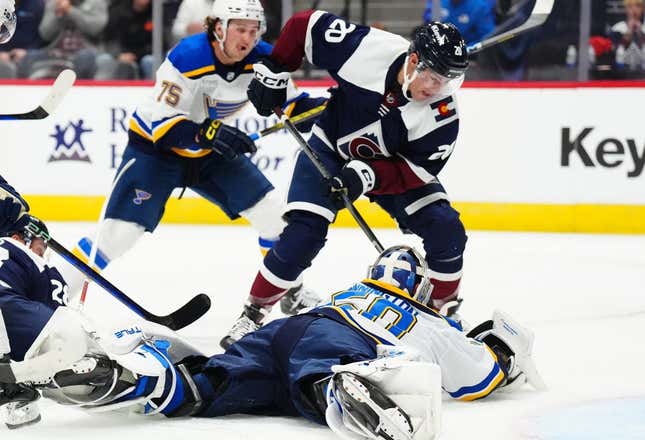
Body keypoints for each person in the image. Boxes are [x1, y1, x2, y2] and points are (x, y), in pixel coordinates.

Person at [2, 245, 543, 439]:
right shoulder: (430, 322)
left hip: (287, 330)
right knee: (319, 374)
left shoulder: (347, 291)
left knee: (211, 381)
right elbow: (479, 378)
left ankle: (136, 378)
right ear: (419, 289)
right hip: (334, 344)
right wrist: (500, 350)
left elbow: (305, 321)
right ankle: (337, 389)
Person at [65, 0, 325, 343]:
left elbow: (292, 106)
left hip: (208, 151)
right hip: (156, 150)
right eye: (239, 28)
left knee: (274, 218)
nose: (247, 37)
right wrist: (209, 133)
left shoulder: (264, 59)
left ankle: (288, 289)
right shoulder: (188, 56)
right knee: (117, 235)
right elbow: (163, 125)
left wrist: (332, 107)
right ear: (218, 27)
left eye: (253, 29)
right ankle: (56, 296)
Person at [227, 12, 470, 348]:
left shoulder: (442, 113)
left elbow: (416, 172)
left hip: (391, 168)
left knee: (446, 229)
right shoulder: (367, 48)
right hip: (330, 148)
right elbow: (303, 26)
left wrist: (367, 176)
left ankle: (443, 314)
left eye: (445, 80)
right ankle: (252, 314)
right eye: (430, 76)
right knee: (303, 234)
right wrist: (274, 72)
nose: (434, 88)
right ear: (413, 60)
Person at [422, 0, 495, 45]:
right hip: (441, 48)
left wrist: (465, 49)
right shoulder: (438, 2)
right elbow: (432, 25)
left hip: (468, 52)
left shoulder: (480, 7)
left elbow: (487, 36)